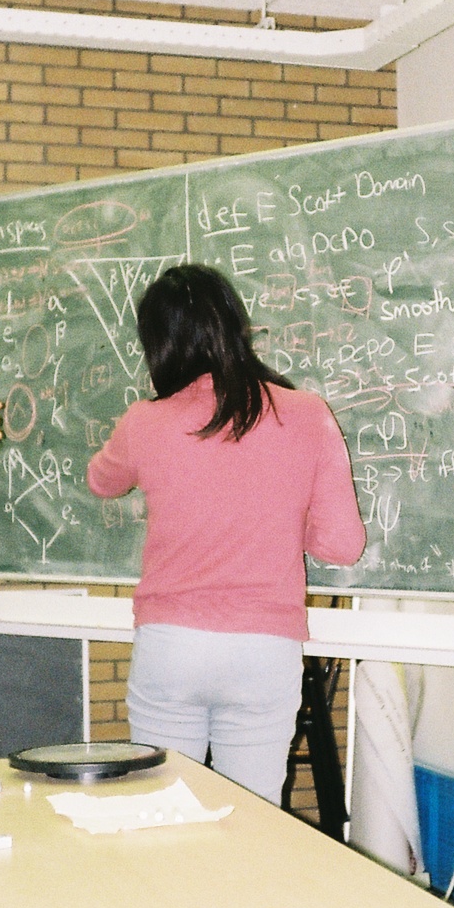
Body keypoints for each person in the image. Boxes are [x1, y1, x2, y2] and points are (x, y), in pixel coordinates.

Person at [87, 264, 366, 804]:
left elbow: (101, 481)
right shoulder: (308, 414)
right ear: (236, 325)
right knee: (253, 817)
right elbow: (342, 545)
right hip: (264, 647)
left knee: (162, 807)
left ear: (159, 344)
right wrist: (281, 510)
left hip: (171, 645)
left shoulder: (145, 420)